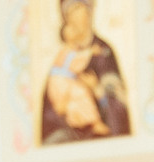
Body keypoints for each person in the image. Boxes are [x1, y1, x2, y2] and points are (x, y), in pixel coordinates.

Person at [41, 0, 130, 144]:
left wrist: (97, 89)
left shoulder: (103, 53)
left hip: (103, 141)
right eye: (68, 12)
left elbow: (118, 109)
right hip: (69, 139)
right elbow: (50, 117)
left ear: (89, 11)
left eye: (77, 9)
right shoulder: (63, 56)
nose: (72, 17)